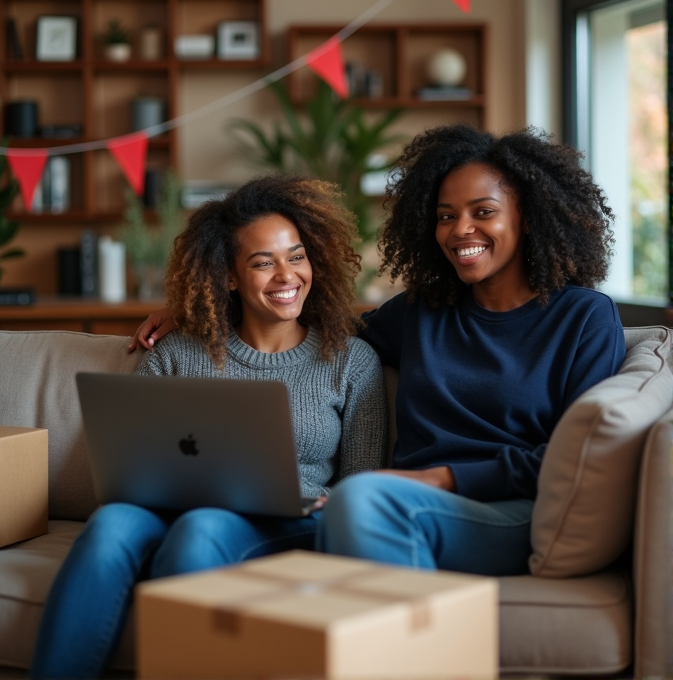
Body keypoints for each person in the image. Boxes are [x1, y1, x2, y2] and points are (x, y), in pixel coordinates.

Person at [127, 124, 626, 578]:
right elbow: (307, 324)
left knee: (358, 498)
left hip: (508, 510)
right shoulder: (421, 311)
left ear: (530, 217)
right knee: (349, 505)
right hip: (400, 503)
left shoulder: (583, 318)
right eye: (446, 216)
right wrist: (201, 311)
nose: (459, 230)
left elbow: (577, 455)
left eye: (484, 212)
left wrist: (440, 478)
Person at [31, 175, 387, 680]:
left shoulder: (352, 362)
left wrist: (339, 501)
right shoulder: (176, 352)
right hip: (168, 507)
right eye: (263, 262)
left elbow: (363, 479)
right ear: (228, 277)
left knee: (202, 529)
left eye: (297, 255)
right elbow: (128, 462)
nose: (287, 274)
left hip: (291, 518)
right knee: (110, 525)